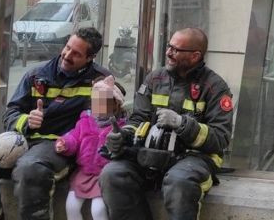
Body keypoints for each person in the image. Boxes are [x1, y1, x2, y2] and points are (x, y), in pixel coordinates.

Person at [0, 27, 111, 220]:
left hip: (61, 145)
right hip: (23, 138)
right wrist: (27, 121)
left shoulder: (101, 81)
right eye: (67, 47)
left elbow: (108, 121)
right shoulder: (36, 74)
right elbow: (11, 112)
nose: (67, 55)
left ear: (90, 58)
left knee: (30, 169)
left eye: (76, 53)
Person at [100, 27, 234, 220]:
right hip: (149, 153)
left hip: (194, 158)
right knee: (113, 174)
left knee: (180, 182)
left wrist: (182, 124)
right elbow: (138, 118)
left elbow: (220, 138)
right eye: (169, 46)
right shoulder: (155, 78)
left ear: (195, 56)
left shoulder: (215, 87)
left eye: (175, 49)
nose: (168, 52)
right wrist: (123, 136)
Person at [55, 75, 126, 220]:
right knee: (71, 206)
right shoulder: (85, 121)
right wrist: (64, 143)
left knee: (98, 210)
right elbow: (73, 137)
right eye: (95, 100)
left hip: (103, 176)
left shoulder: (121, 126)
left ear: (116, 104)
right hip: (84, 173)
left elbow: (123, 148)